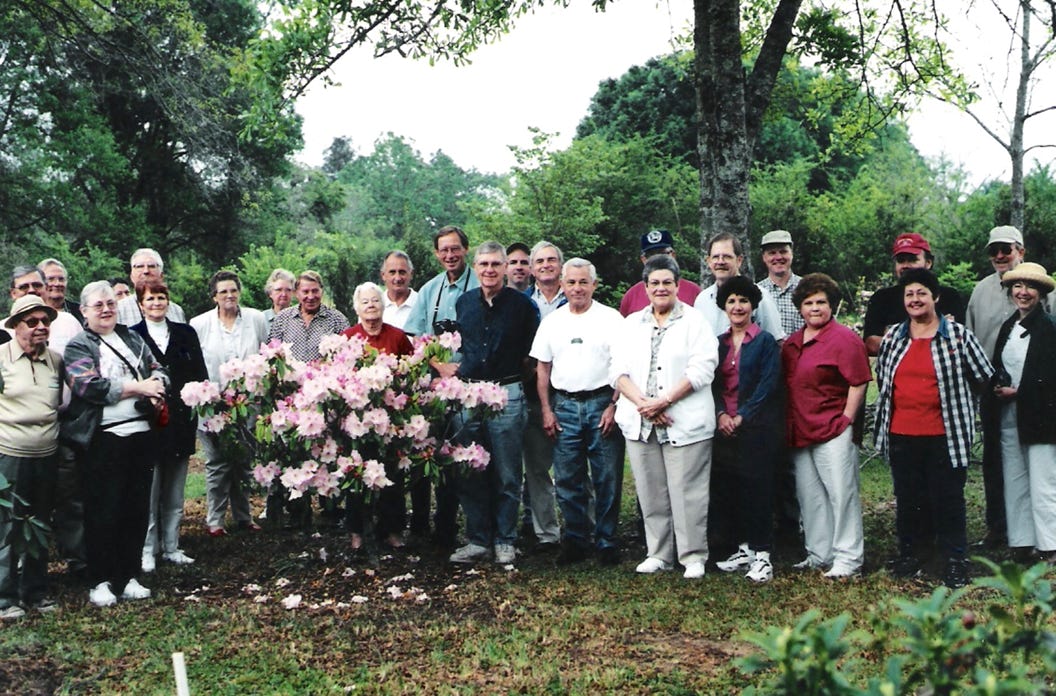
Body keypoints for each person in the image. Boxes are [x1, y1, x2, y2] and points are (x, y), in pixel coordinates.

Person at [874, 268, 993, 587]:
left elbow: (983, 376)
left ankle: (955, 560)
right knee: (909, 498)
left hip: (945, 436)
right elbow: (883, 380)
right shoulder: (893, 338)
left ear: (935, 298)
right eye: (909, 294)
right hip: (901, 434)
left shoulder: (958, 336)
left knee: (948, 500)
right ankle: (912, 554)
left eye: (921, 293)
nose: (915, 299)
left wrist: (962, 409)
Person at [611, 255, 718, 579]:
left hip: (683, 419)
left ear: (677, 286)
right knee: (651, 490)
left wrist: (664, 401)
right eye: (654, 283)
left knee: (688, 491)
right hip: (640, 420)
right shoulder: (631, 324)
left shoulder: (695, 321)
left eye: (666, 283)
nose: (660, 288)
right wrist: (644, 403)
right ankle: (658, 553)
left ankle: (693, 556)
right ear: (645, 288)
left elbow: (702, 368)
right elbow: (618, 370)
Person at [63, 281, 168, 607]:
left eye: (110, 303)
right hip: (104, 438)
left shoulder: (132, 336)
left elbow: (159, 368)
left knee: (135, 509)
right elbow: (89, 386)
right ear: (84, 311)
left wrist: (159, 386)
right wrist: (140, 388)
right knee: (102, 509)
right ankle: (101, 580)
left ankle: (130, 575)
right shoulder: (78, 346)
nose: (106, 309)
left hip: (141, 434)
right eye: (98, 305)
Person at [447, 241, 540, 565]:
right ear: (475, 267)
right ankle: (478, 540)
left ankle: (505, 539)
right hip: (469, 395)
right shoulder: (464, 304)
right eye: (483, 264)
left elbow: (532, 358)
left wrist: (512, 382)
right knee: (470, 469)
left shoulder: (523, 307)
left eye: (495, 265)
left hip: (508, 394)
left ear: (504, 268)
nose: (489, 270)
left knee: (507, 472)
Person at [530, 258, 625, 566]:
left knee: (606, 477)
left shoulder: (611, 319)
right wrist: (546, 409)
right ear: (562, 285)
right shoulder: (552, 322)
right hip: (565, 406)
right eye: (571, 282)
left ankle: (607, 541)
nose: (577, 288)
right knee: (569, 478)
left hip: (602, 404)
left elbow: (624, 367)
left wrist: (614, 405)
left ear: (594, 285)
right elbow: (542, 369)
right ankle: (576, 541)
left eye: (583, 282)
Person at [782, 273, 870, 579]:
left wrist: (846, 418)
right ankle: (820, 553)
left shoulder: (844, 339)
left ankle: (848, 557)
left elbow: (858, 382)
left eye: (821, 302)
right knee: (810, 496)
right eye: (808, 303)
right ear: (800, 308)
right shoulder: (792, 344)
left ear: (832, 305)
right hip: (801, 430)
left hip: (833, 429)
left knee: (841, 494)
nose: (815, 308)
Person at [403, 226, 479, 546]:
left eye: (455, 249)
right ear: (436, 254)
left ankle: (467, 526)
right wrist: (438, 365)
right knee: (433, 452)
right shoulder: (428, 290)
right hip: (436, 384)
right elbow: (416, 337)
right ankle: (432, 525)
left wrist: (462, 367)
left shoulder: (480, 284)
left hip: (474, 382)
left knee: (466, 457)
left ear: (466, 249)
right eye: (443, 250)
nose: (449, 255)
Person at [131, 279, 208, 571]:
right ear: (140, 304)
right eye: (150, 299)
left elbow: (200, 373)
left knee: (175, 490)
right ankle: (148, 549)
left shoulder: (185, 333)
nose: (156, 303)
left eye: (161, 297)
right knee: (150, 489)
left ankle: (173, 546)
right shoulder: (133, 335)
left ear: (168, 301)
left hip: (181, 421)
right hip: (148, 422)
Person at [711, 277, 782, 583]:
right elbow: (712, 384)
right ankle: (743, 549)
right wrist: (720, 415)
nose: (737, 307)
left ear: (753, 306)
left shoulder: (764, 341)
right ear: (724, 307)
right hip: (725, 429)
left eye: (743, 301)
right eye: (731, 301)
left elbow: (768, 385)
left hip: (756, 429)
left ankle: (763, 555)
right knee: (732, 490)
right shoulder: (719, 342)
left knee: (758, 490)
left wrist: (742, 416)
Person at [987, 262, 1056, 564]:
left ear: (1040, 293)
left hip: (1041, 416)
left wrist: (1021, 391)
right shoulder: (1008, 326)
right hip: (1009, 415)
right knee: (1014, 477)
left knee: (1043, 479)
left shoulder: (1050, 327)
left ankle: (1050, 544)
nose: (1022, 292)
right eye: (1017, 286)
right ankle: (1021, 540)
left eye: (1029, 287)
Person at [191, 271, 269, 536]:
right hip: (213, 404)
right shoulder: (199, 324)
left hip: (247, 404)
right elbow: (195, 365)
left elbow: (265, 356)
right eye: (223, 291)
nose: (229, 295)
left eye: (233, 290)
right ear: (214, 295)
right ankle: (215, 519)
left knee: (243, 461)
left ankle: (243, 516)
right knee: (217, 463)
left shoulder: (256, 319)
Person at [0, 296, 63, 619]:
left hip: (47, 454)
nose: (41, 327)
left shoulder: (55, 359)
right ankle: (5, 598)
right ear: (15, 327)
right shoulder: (1, 358)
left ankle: (36, 592)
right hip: (10, 455)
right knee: (8, 527)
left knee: (39, 524)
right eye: (32, 322)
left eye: (45, 321)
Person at [341, 282, 413, 552]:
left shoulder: (397, 336)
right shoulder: (348, 336)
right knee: (357, 472)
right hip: (357, 419)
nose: (371, 305)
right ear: (356, 307)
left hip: (391, 417)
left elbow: (410, 372)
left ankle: (392, 530)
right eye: (365, 302)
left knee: (391, 474)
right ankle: (357, 532)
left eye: (375, 301)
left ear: (383, 306)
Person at [967, 225, 1027, 548]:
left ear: (1021, 250)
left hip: (1032, 390)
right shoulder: (981, 292)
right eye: (994, 251)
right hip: (991, 388)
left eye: (1006, 249)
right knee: (994, 459)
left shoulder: (1042, 290)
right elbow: (970, 338)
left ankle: (1035, 528)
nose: (1000, 256)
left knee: (1035, 457)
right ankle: (997, 526)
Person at [520, 241, 564, 551]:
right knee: (536, 468)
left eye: (552, 260)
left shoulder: (576, 296)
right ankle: (547, 533)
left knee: (573, 467)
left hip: (571, 392)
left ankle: (580, 529)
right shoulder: (521, 303)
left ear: (560, 265)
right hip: (532, 394)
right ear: (532, 268)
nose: (546, 265)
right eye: (540, 261)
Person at [862, 233, 964, 356]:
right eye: (901, 260)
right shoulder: (882, 298)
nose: (905, 265)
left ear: (928, 262)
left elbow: (958, 341)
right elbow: (871, 345)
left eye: (912, 259)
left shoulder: (949, 296)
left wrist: (892, 337)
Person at [693, 232, 786, 340]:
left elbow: (776, 341)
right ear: (708, 261)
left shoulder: (760, 296)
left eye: (727, 257)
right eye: (715, 257)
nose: (720, 262)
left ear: (739, 260)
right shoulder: (702, 300)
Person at [268, 270, 349, 362]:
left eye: (315, 291)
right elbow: (272, 353)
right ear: (296, 293)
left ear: (322, 291)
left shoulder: (338, 320)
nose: (311, 297)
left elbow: (347, 355)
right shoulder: (282, 318)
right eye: (305, 292)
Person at [619, 229, 702, 317]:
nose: (658, 259)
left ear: (673, 255)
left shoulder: (694, 292)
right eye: (651, 255)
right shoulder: (631, 296)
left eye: (663, 253)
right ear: (643, 259)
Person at [117, 249, 186, 325]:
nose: (146, 271)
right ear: (131, 276)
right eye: (139, 266)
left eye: (151, 266)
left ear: (161, 276)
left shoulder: (176, 311)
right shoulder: (118, 310)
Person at [756, 230, 803, 336]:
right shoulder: (756, 292)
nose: (778, 257)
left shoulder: (808, 288)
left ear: (792, 253)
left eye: (783, 251)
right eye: (772, 253)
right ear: (764, 257)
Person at [379, 251, 418, 330]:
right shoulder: (375, 305)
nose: (397, 278)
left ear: (411, 274)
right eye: (392, 272)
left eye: (402, 272)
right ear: (383, 275)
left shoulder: (422, 304)